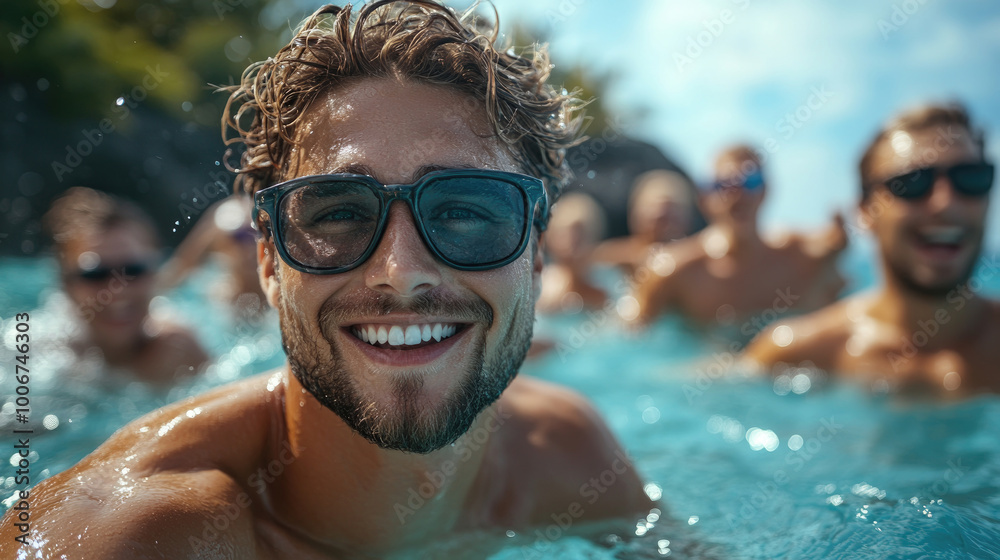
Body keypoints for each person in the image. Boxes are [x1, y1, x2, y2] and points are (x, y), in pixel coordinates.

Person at [1, 3, 653, 557]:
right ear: (267, 262)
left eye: (465, 211)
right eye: (339, 212)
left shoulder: (570, 457)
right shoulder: (145, 531)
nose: (402, 275)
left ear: (536, 252)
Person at [745, 103, 999, 395]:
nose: (946, 203)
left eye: (971, 178)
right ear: (865, 212)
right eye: (913, 182)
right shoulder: (794, 355)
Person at [630, 144, 846, 337]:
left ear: (765, 191)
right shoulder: (673, 271)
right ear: (705, 198)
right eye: (725, 185)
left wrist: (836, 253)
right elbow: (629, 338)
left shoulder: (806, 256)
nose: (739, 193)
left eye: (750, 182)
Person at [40, 186, 208, 383]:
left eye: (133, 270)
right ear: (66, 285)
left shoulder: (181, 353)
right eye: (96, 274)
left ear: (155, 274)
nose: (117, 290)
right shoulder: (40, 356)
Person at [157, 194, 267, 315]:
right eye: (240, 236)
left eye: (259, 233)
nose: (251, 246)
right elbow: (164, 283)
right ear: (221, 245)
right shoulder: (204, 296)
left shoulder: (279, 296)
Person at [592, 169, 697, 273]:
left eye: (671, 216)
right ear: (635, 215)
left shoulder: (699, 262)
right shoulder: (609, 260)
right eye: (658, 217)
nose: (663, 226)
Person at [536, 192, 609, 314]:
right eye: (567, 234)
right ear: (552, 238)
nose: (573, 242)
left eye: (580, 234)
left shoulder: (603, 280)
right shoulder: (543, 283)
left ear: (593, 236)